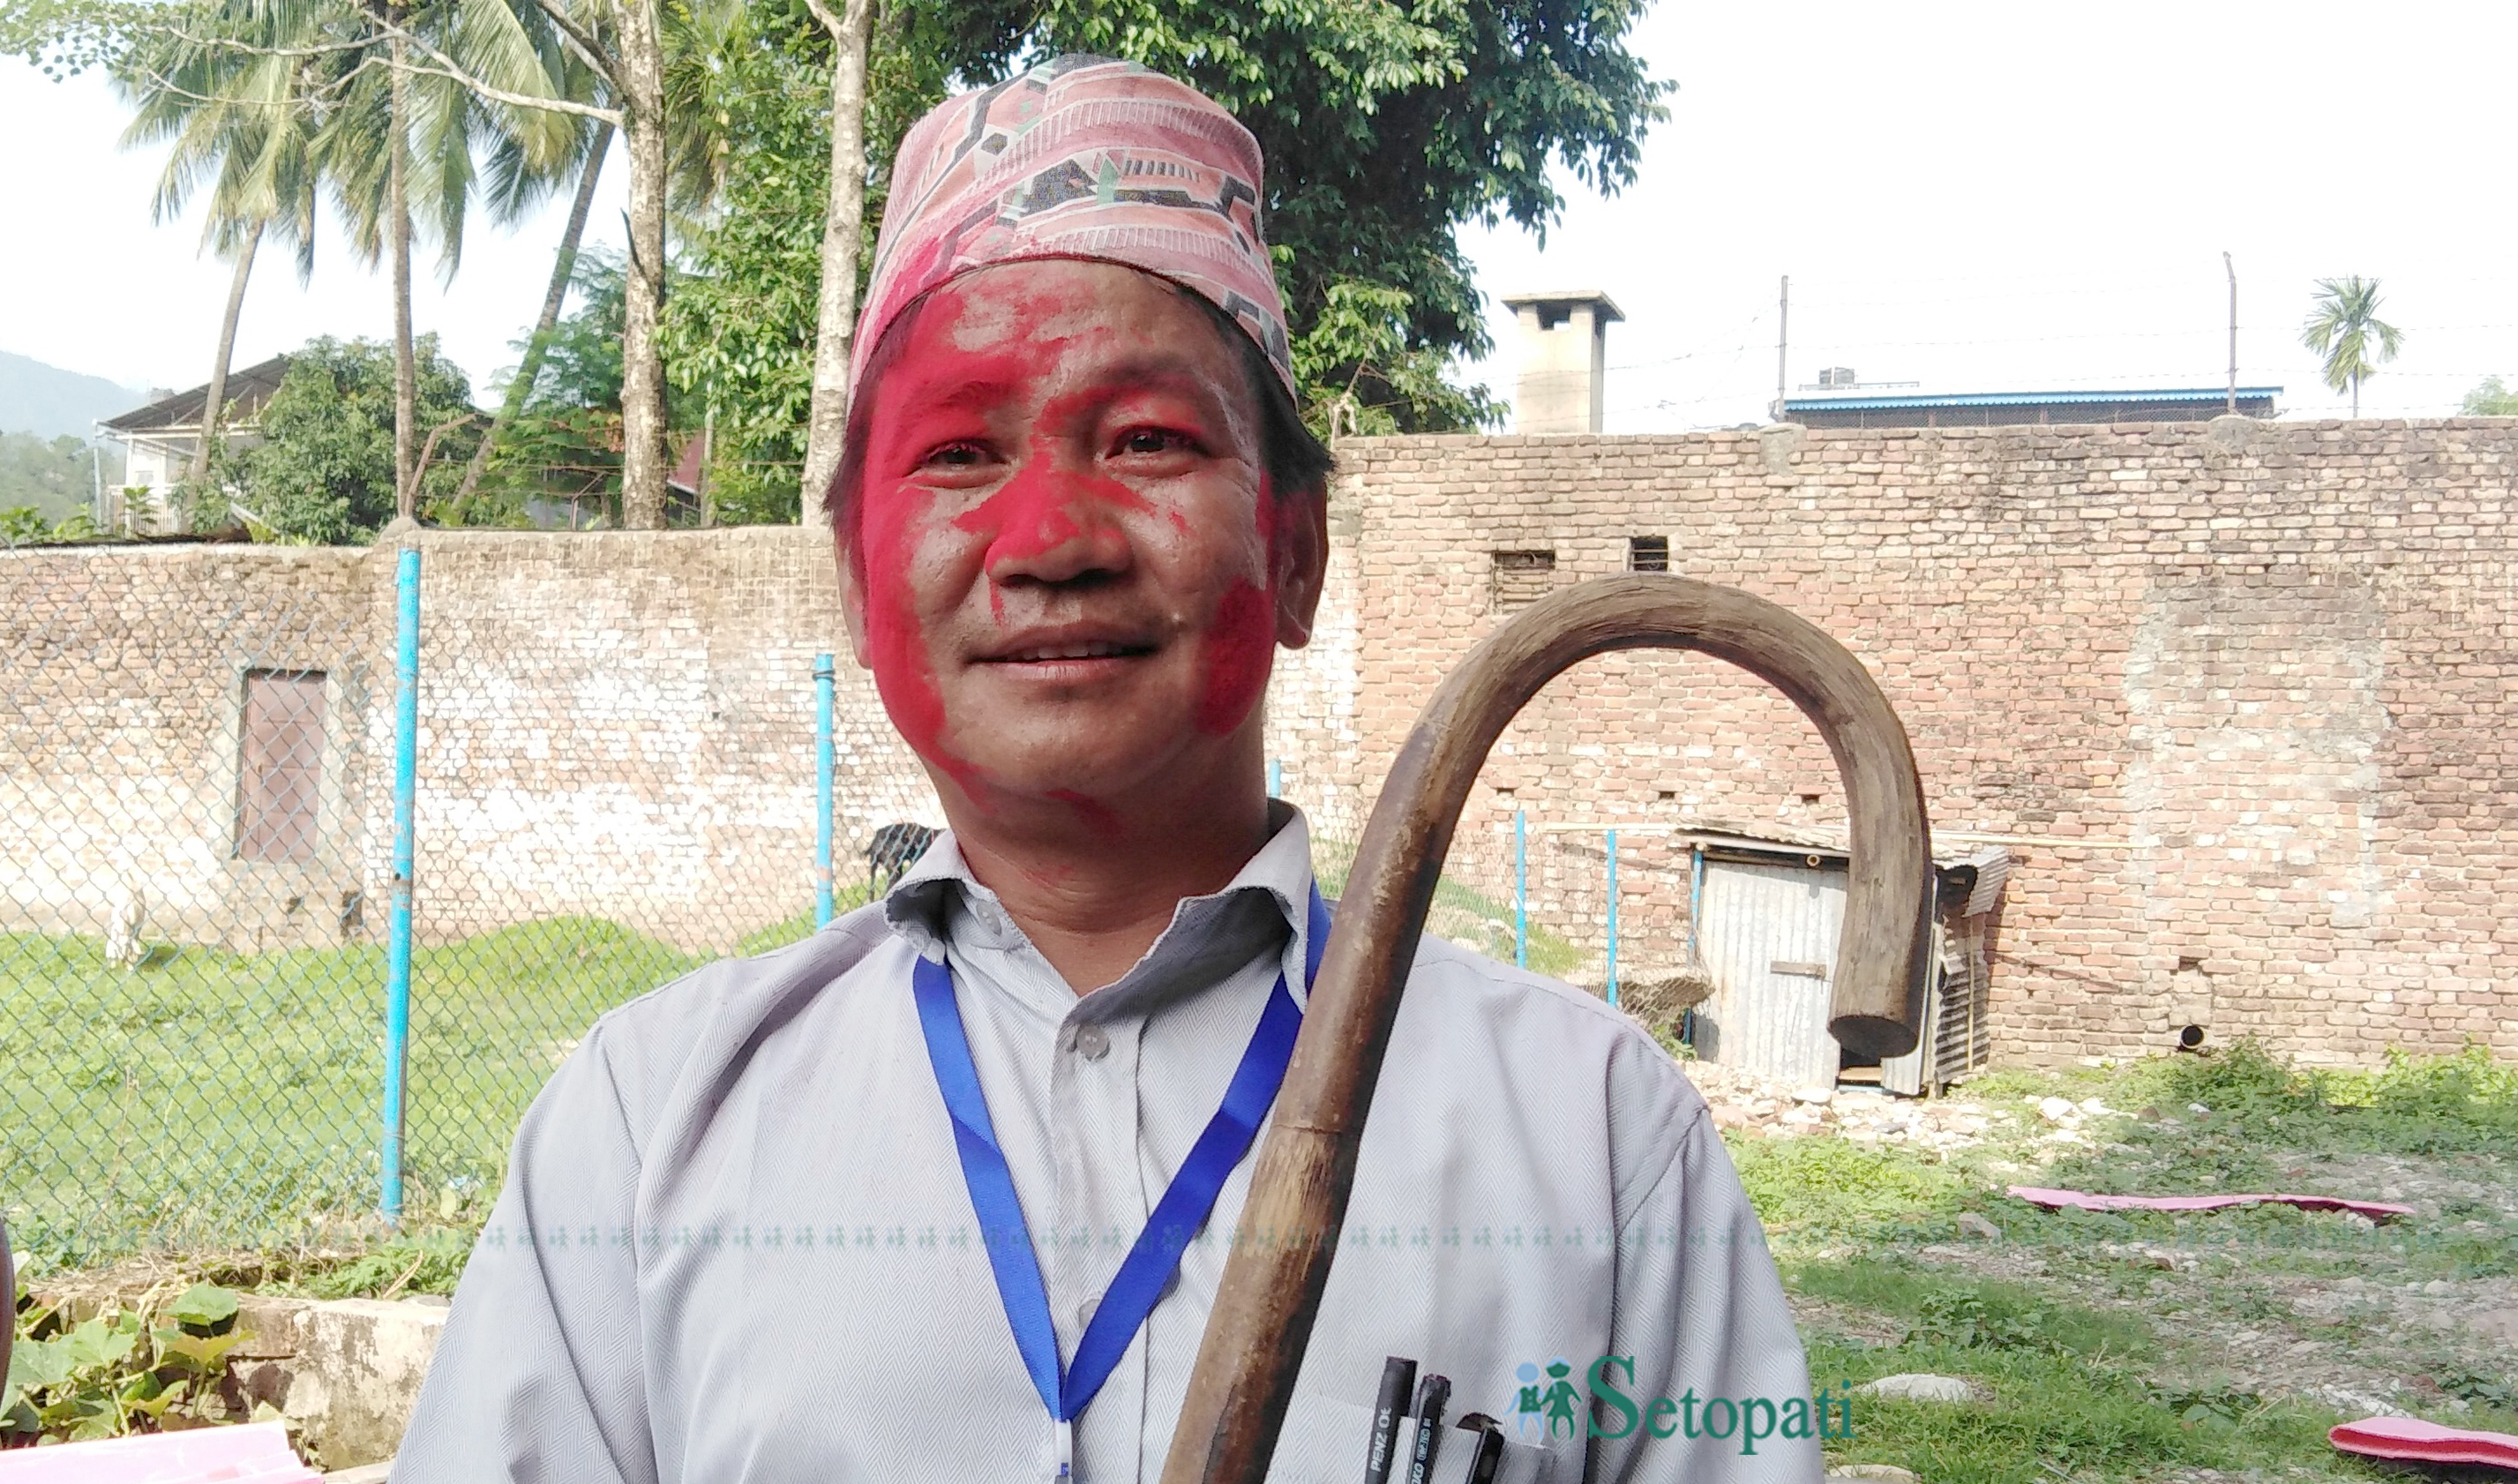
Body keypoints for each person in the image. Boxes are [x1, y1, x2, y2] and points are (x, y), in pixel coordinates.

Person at [397, 55, 1819, 1484]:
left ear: (1297, 551)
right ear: (857, 581)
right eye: (958, 454)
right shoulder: (646, 1129)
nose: (1049, 542)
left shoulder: (1593, 1138)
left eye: (1148, 440)